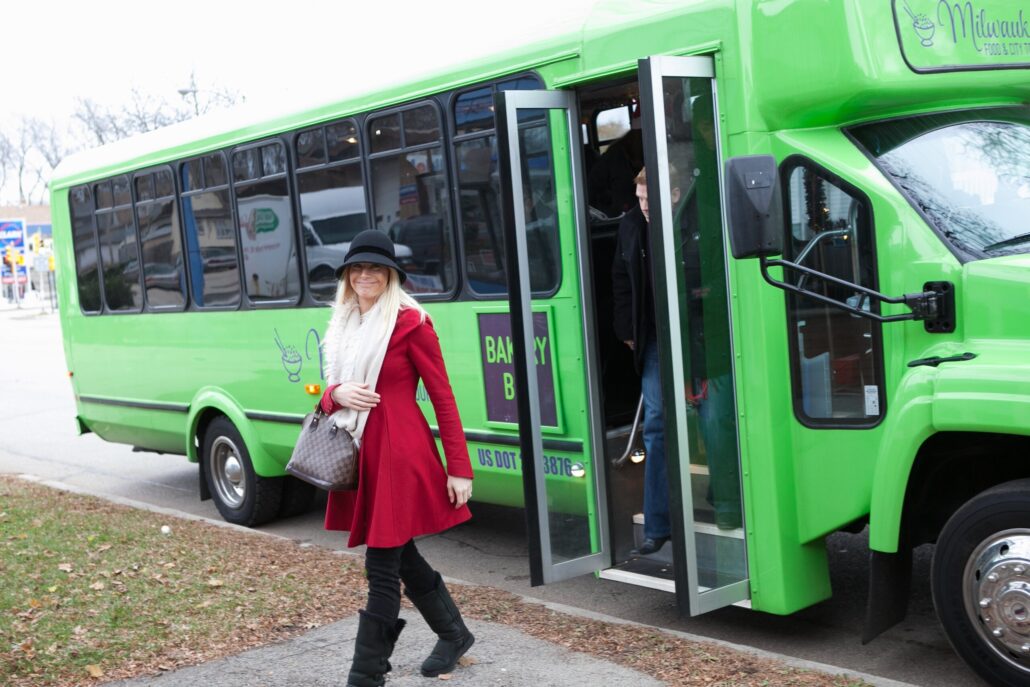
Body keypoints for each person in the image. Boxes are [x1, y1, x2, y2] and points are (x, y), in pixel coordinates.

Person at [318, 229, 475, 687]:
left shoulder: (412, 323)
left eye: (375, 268)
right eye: (358, 268)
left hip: (398, 453)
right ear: (347, 275)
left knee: (381, 565)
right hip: (360, 451)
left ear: (391, 276)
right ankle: (454, 633)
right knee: (401, 554)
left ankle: (365, 675)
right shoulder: (342, 324)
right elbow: (329, 396)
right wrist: (335, 393)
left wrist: (459, 467)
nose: (365, 275)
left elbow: (443, 397)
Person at [611, 167, 678, 556]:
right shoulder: (632, 225)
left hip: (697, 339)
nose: (643, 206)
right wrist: (627, 329)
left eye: (650, 199)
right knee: (655, 425)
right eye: (639, 198)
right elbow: (620, 278)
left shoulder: (692, 217)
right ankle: (657, 526)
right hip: (652, 338)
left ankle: (727, 506)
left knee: (716, 420)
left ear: (674, 193)